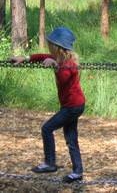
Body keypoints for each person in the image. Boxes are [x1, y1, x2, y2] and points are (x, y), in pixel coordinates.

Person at [10, 27, 85, 183]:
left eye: (51, 45)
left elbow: (64, 77)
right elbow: (43, 56)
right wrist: (26, 58)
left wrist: (55, 65)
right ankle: (77, 172)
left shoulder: (68, 64)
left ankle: (50, 163)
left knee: (47, 128)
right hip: (73, 105)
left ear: (57, 47)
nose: (49, 48)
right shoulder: (60, 59)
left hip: (72, 107)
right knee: (71, 138)